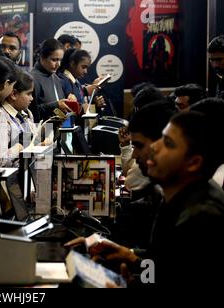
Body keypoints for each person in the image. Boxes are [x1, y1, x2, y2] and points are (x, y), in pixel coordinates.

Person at [67, 110, 224, 287]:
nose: (155, 147)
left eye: (168, 143)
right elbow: (163, 264)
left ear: (194, 163)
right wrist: (131, 255)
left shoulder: (201, 218)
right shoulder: (181, 195)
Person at [115, 100, 177, 248]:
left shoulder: (198, 212)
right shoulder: (165, 191)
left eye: (139, 146)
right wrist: (131, 257)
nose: (135, 155)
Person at [30, 38, 71, 122]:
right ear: (42, 57)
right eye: (54, 60)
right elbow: (31, 112)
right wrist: (56, 105)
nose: (58, 64)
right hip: (42, 130)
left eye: (60, 60)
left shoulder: (55, 77)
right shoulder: (32, 78)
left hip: (58, 129)